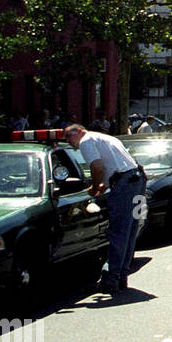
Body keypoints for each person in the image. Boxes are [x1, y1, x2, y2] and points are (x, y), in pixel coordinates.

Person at [65, 123, 147, 293]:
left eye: (68, 136)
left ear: (78, 131)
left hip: (125, 185)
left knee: (119, 231)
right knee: (130, 229)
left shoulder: (86, 141)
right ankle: (121, 275)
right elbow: (116, 165)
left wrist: (95, 188)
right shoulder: (106, 137)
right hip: (137, 181)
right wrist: (105, 183)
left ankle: (111, 278)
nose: (68, 141)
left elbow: (97, 167)